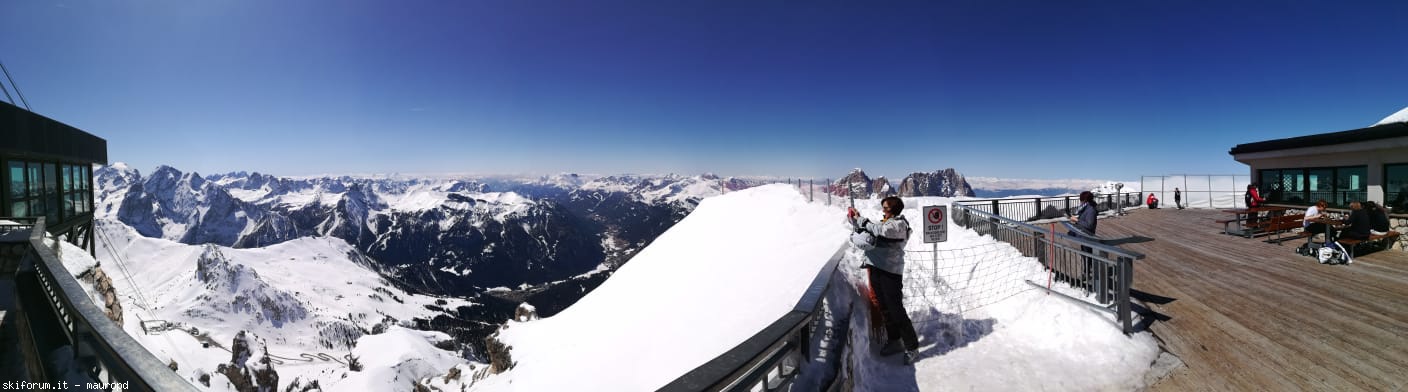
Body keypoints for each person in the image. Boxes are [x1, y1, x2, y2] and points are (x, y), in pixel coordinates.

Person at [847, 196, 918, 364]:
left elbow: (879, 230)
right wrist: (857, 219)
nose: (883, 210)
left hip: (890, 273)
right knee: (885, 307)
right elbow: (873, 229)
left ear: (894, 210)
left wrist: (861, 220)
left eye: (886, 208)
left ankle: (912, 347)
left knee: (896, 310)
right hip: (878, 269)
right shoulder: (887, 223)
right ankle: (894, 340)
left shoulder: (898, 225)